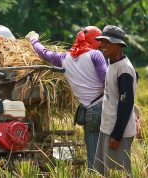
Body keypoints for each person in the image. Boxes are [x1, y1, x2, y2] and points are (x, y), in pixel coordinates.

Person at [25, 26, 107, 170]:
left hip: (89, 113)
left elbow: (44, 53)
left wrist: (34, 39)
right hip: (103, 108)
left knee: (93, 158)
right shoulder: (96, 55)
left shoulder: (64, 58)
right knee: (110, 153)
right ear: (95, 42)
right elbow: (107, 83)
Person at [93, 25, 137, 177]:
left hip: (118, 132)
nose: (103, 45)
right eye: (102, 41)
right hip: (108, 128)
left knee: (118, 173)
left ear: (119, 44)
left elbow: (126, 104)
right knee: (108, 172)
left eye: (107, 42)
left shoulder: (123, 69)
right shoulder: (113, 63)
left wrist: (117, 135)